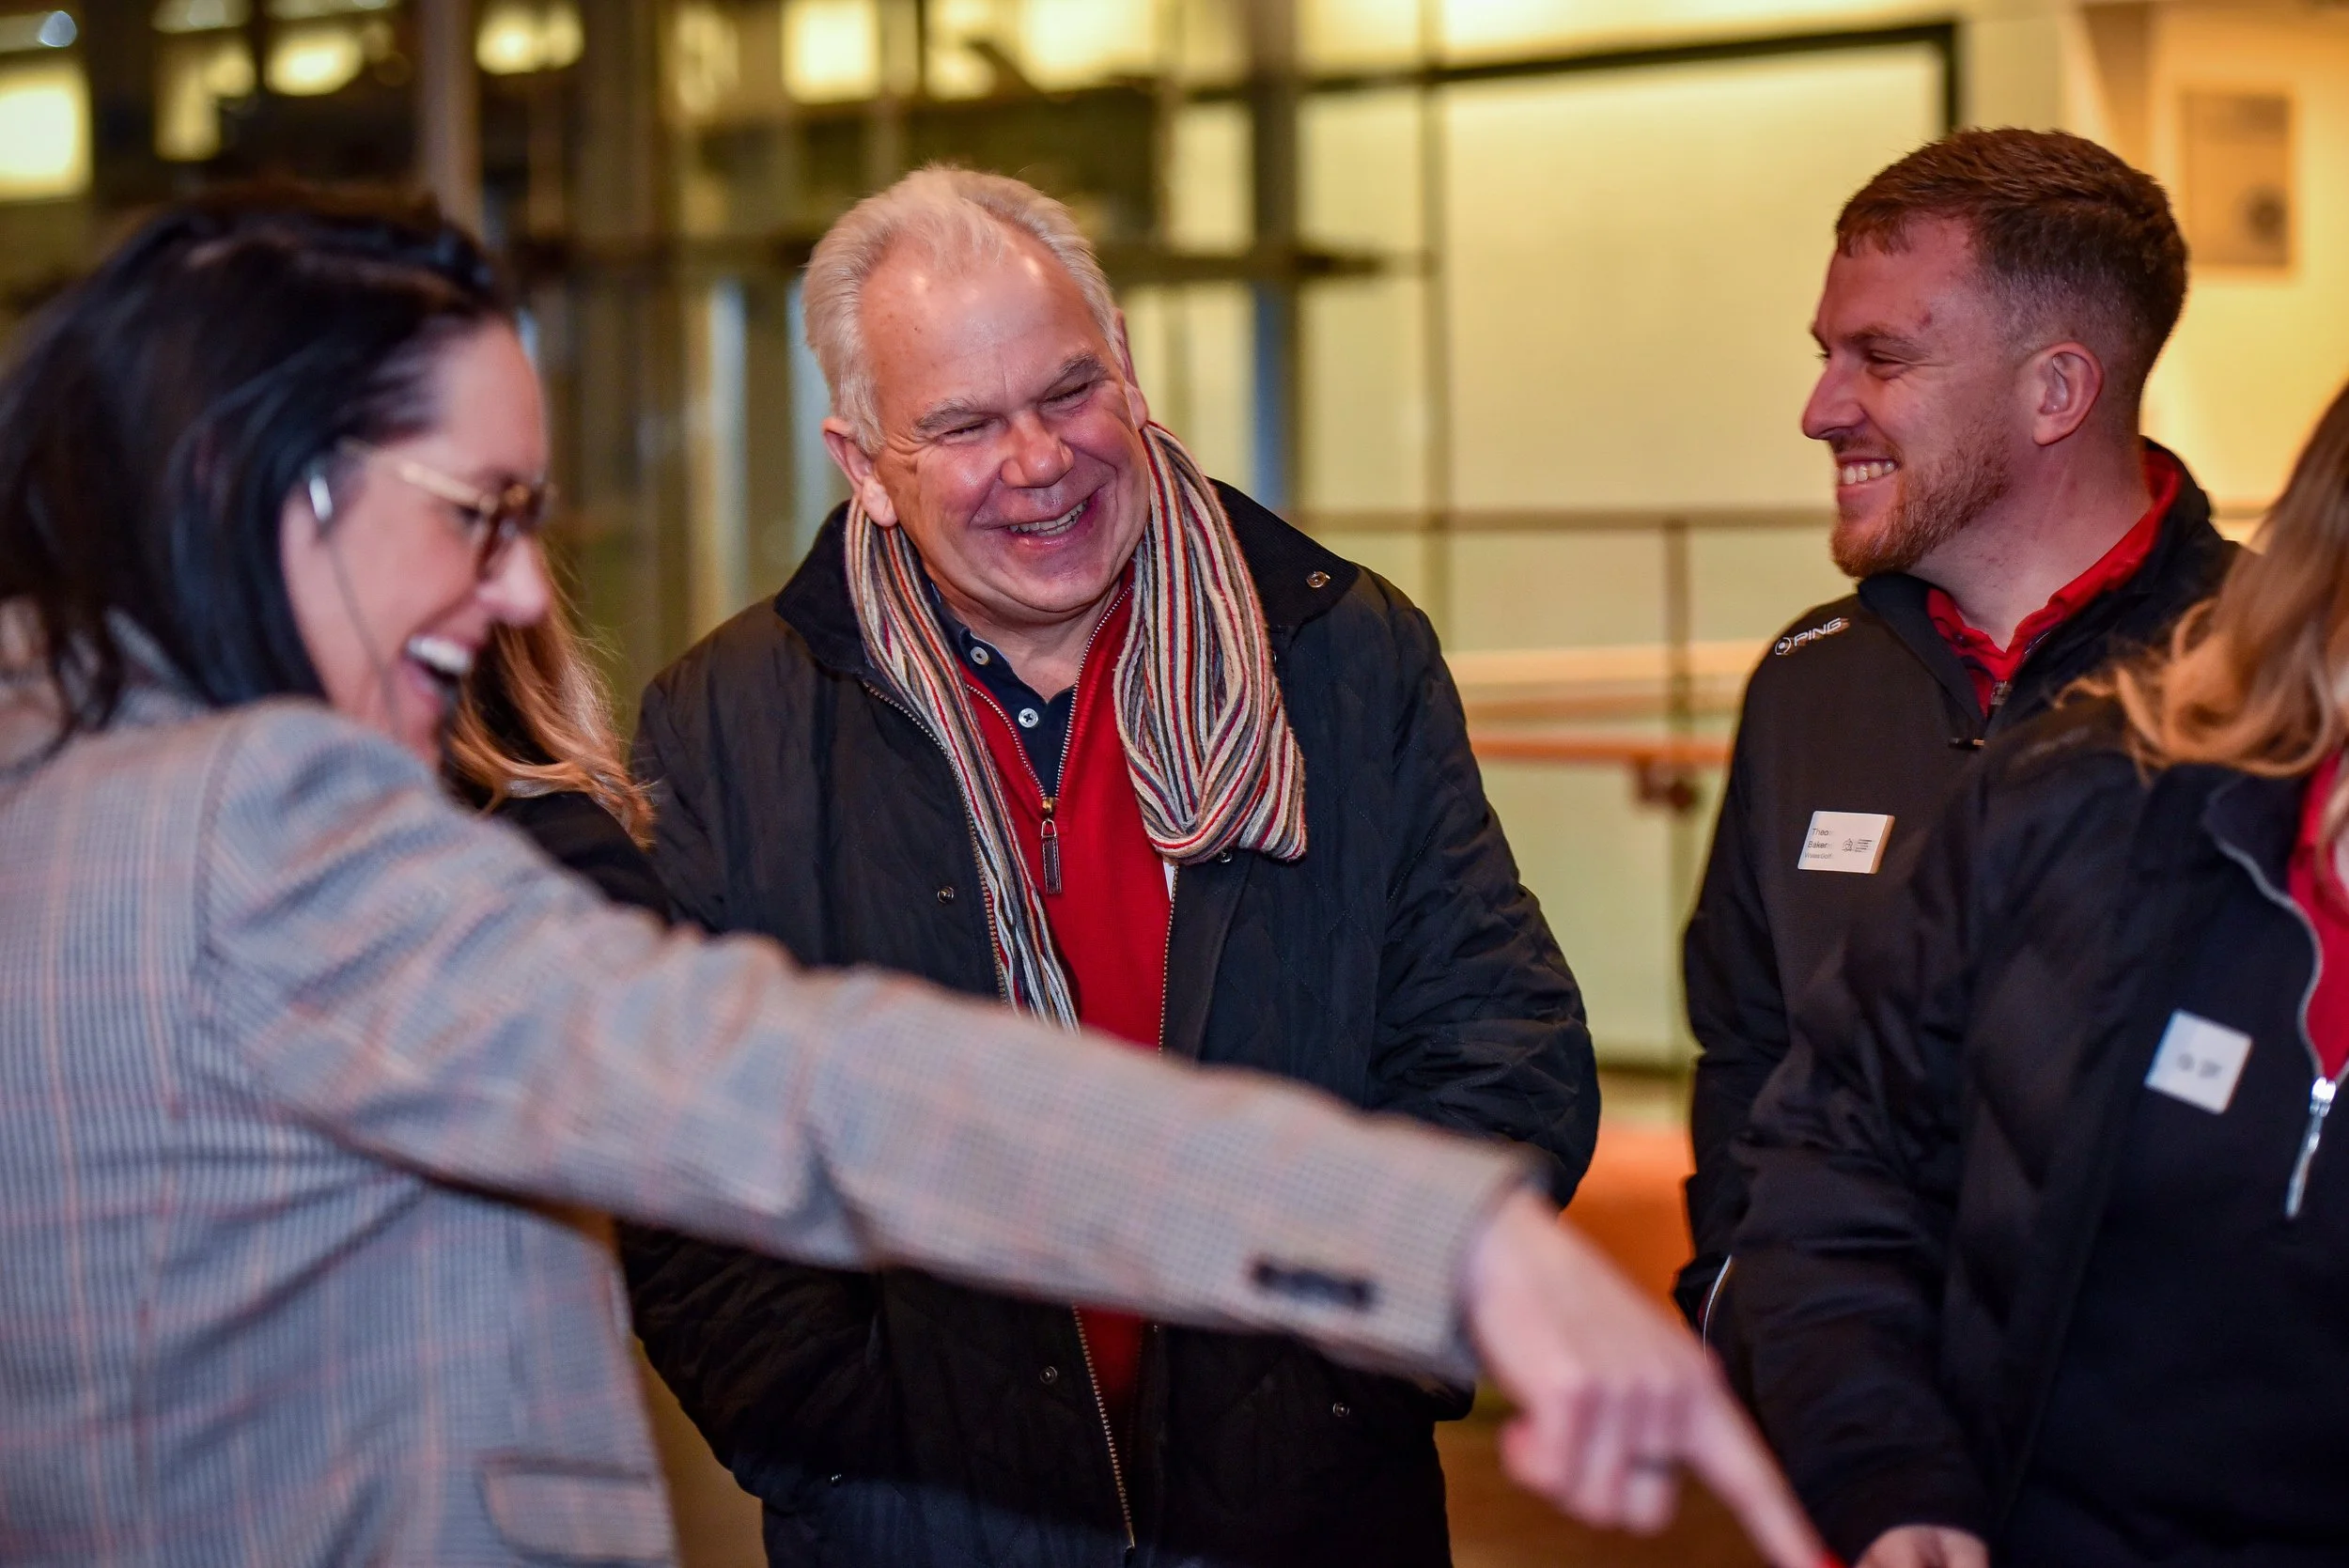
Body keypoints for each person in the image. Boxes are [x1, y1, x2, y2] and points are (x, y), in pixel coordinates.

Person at [0, 186, 1817, 1567]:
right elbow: (803, 1087)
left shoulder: (58, 793)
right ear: (268, 490)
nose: (526, 591)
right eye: (481, 512)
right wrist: (1434, 1233)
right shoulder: (272, 828)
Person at [622, 165, 1597, 1568]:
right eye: (962, 424)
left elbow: (1499, 1048)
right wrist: (845, 1439)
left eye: (1068, 393)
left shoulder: (1338, 654)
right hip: (927, 1526)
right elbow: (684, 1153)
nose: (1038, 461)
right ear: (864, 466)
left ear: (1129, 373)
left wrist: (1335, 1373)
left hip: (1306, 1512)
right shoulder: (729, 724)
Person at [1734, 374, 2349, 1568]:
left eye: (1882, 355)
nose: (1819, 406)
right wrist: (1887, 1477)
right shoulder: (2084, 805)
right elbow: (1836, 1150)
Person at [1678, 128, 2234, 1345]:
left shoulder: (2270, 684)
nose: (1821, 410)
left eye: (1880, 357)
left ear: (2057, 390)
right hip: (1839, 1453)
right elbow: (1748, 1043)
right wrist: (1739, 1305)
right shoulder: (1808, 683)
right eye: (1826, 354)